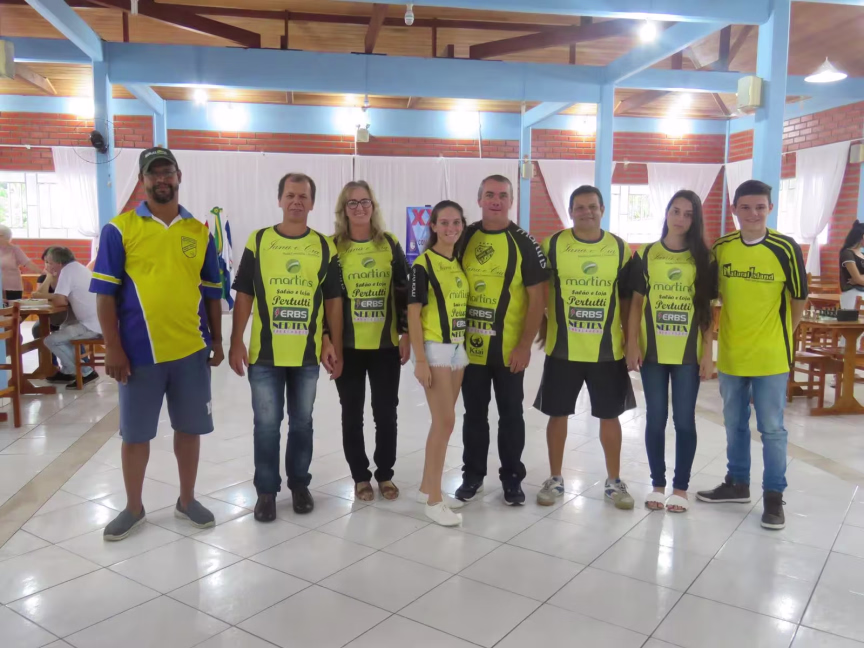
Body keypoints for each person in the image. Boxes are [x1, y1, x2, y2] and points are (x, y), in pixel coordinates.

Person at [92, 147, 224, 541]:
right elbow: (104, 294)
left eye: (167, 172)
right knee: (135, 435)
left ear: (179, 176)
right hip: (138, 355)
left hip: (191, 352)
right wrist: (112, 346)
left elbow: (212, 291)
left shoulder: (199, 231)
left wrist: (218, 340)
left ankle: (187, 500)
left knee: (189, 430)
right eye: (153, 174)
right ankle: (133, 507)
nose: (161, 179)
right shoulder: (120, 229)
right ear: (142, 180)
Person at [230, 173, 343, 521]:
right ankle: (266, 492)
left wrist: (333, 343)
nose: (296, 201)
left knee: (302, 423)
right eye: (290, 195)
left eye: (303, 196)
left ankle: (299, 485)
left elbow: (332, 300)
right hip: (265, 356)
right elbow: (244, 294)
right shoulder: (259, 240)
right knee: (266, 425)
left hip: (307, 356)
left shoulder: (325, 246)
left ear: (312, 203)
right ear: (279, 200)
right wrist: (235, 341)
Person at [697, 180, 807, 530]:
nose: (753, 214)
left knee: (772, 428)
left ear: (770, 208)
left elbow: (799, 298)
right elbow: (710, 299)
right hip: (732, 353)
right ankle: (737, 483)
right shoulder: (722, 248)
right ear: (734, 209)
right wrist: (708, 349)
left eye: (760, 207)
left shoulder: (785, 248)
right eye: (745, 207)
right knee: (734, 422)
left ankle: (773, 496)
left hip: (771, 356)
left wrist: (782, 334)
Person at [534, 185, 636, 510]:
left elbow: (628, 299)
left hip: (608, 352)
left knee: (610, 416)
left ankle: (614, 481)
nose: (586, 212)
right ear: (570, 211)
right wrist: (540, 325)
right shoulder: (552, 245)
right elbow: (538, 290)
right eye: (579, 207)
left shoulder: (620, 248)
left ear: (602, 209)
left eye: (592, 206)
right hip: (563, 350)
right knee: (557, 414)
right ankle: (554, 478)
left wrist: (632, 341)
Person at [455, 175, 548, 506]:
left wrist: (524, 346)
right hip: (470, 349)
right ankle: (472, 476)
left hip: (509, 351)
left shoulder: (524, 243)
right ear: (479, 199)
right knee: (474, 415)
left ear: (511, 201)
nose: (496, 200)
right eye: (490, 194)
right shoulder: (464, 237)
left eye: (503, 195)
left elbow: (537, 299)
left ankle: (511, 478)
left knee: (511, 415)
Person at [625, 190, 716, 513]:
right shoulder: (647, 254)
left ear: (695, 220)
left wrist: (707, 353)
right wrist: (632, 343)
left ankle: (680, 488)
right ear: (666, 212)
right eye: (675, 211)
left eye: (688, 214)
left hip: (687, 355)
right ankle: (657, 484)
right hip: (652, 352)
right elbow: (636, 303)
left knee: (684, 421)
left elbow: (706, 310)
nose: (680, 218)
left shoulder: (704, 259)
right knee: (655, 419)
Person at [322, 181, 410, 502]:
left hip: (385, 347)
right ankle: (360, 476)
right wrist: (326, 339)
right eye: (352, 203)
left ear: (373, 206)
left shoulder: (390, 243)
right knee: (352, 414)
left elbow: (404, 291)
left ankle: (385, 473)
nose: (359, 208)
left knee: (386, 413)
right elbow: (324, 298)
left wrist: (406, 333)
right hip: (347, 349)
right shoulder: (332, 247)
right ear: (343, 210)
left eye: (365, 202)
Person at [408, 200, 469, 526]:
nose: (450, 228)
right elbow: (413, 314)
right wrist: (420, 359)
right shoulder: (423, 264)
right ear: (432, 226)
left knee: (442, 422)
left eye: (456, 222)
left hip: (457, 349)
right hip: (435, 349)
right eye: (444, 222)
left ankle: (426, 488)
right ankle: (434, 501)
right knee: (445, 421)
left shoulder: (457, 263)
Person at [36, 247, 102, 389]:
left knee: (51, 340)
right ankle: (68, 371)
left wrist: (44, 295)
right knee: (64, 326)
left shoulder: (67, 271)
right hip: (98, 321)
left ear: (58, 263)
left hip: (92, 325)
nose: (48, 266)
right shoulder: (78, 268)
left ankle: (86, 372)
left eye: (49, 262)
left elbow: (60, 301)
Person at [0, 224, 41, 302]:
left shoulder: (15, 250)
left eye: (0, 236)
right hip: (0, 288)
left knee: (12, 308)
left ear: (6, 237)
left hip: (12, 288)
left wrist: (43, 273)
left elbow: (28, 263)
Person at [839, 221, 864, 310]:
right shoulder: (847, 253)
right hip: (852, 295)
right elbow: (857, 279)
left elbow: (859, 279)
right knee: (853, 319)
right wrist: (858, 279)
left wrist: (859, 279)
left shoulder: (862, 254)